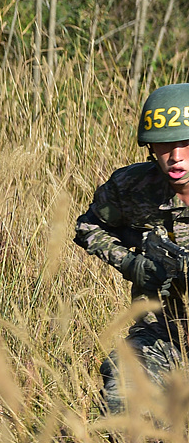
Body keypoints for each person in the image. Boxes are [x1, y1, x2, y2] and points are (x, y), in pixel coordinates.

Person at [75, 83, 189, 414]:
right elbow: (89, 226)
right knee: (124, 397)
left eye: (185, 142)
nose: (176, 156)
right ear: (150, 147)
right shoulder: (132, 187)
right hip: (162, 331)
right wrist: (130, 263)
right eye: (165, 145)